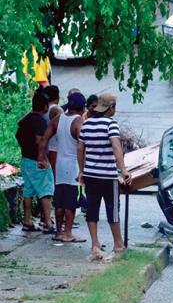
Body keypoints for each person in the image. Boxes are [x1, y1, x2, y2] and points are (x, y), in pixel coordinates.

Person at [77, 93, 130, 261]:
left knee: (92, 209)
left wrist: (81, 170)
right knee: (112, 209)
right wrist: (123, 170)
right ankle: (118, 244)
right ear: (111, 107)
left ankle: (95, 245)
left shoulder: (86, 124)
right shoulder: (111, 124)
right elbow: (116, 146)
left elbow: (80, 149)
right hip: (107, 175)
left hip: (90, 174)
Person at [39, 92, 86, 243]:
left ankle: (59, 232)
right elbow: (82, 145)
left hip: (59, 164)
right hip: (73, 165)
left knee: (59, 201)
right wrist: (83, 168)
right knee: (71, 202)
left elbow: (44, 138)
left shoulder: (58, 119)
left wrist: (41, 156)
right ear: (82, 107)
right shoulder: (78, 122)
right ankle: (68, 233)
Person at [17, 92, 55, 234]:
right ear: (45, 106)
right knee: (45, 190)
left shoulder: (25, 120)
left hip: (25, 159)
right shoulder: (39, 121)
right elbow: (40, 141)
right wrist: (43, 158)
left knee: (28, 191)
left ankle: (27, 221)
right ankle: (48, 223)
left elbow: (19, 128)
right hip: (37, 161)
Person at [43, 85, 63, 170]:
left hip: (44, 144)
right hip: (54, 145)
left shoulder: (42, 108)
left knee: (49, 171)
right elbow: (63, 125)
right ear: (58, 96)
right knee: (55, 171)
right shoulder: (56, 109)